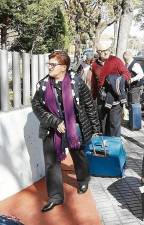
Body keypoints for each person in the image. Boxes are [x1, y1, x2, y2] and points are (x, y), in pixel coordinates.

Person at [31, 51, 101, 212]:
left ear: (63, 67)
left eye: (52, 65)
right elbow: (36, 106)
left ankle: (83, 179)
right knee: (51, 163)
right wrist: (54, 122)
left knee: (78, 154)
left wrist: (96, 128)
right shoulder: (42, 85)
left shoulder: (76, 82)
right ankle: (55, 197)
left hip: (74, 127)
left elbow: (89, 104)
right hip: (52, 130)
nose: (49, 67)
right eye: (48, 64)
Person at [91, 42, 130, 136]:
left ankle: (115, 148)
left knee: (114, 126)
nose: (106, 52)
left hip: (115, 99)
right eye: (103, 51)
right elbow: (94, 83)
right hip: (101, 99)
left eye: (108, 50)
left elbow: (126, 74)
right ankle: (105, 148)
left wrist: (118, 80)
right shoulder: (95, 65)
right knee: (103, 125)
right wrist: (93, 98)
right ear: (98, 52)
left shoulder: (116, 60)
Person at [123, 50, 144, 121]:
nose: (124, 60)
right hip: (130, 88)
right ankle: (132, 122)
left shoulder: (135, 64)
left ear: (128, 57)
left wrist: (132, 79)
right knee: (130, 105)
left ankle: (135, 123)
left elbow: (141, 74)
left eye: (125, 59)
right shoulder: (127, 64)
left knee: (134, 105)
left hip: (135, 88)